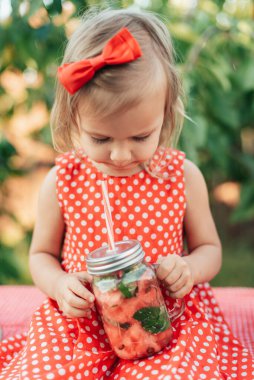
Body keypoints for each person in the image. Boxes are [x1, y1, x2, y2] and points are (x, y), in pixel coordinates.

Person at [0, 7, 253, 380]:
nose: (120, 155)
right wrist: (59, 284)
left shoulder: (181, 176)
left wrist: (189, 268)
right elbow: (40, 255)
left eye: (140, 137)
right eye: (100, 138)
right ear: (74, 119)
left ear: (165, 115)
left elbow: (210, 250)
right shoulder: (62, 181)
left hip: (165, 322)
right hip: (81, 325)